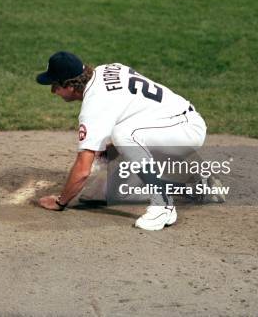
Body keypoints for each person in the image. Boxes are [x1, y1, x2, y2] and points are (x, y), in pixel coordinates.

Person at [36, 51, 210, 231]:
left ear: (70, 85)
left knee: (123, 135)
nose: (52, 91)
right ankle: (195, 185)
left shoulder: (94, 105)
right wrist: (113, 151)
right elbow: (136, 108)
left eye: (55, 85)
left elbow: (82, 170)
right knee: (103, 193)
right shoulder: (106, 69)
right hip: (171, 123)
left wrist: (60, 201)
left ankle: (163, 205)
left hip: (184, 131)